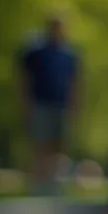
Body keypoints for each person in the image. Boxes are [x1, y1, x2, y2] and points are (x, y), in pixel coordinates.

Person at [19, 12, 80, 194]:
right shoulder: (35, 52)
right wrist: (24, 103)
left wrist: (74, 106)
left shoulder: (69, 55)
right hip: (40, 103)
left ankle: (55, 183)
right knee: (40, 143)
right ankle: (38, 183)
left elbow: (74, 82)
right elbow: (24, 79)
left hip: (61, 104)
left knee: (58, 145)